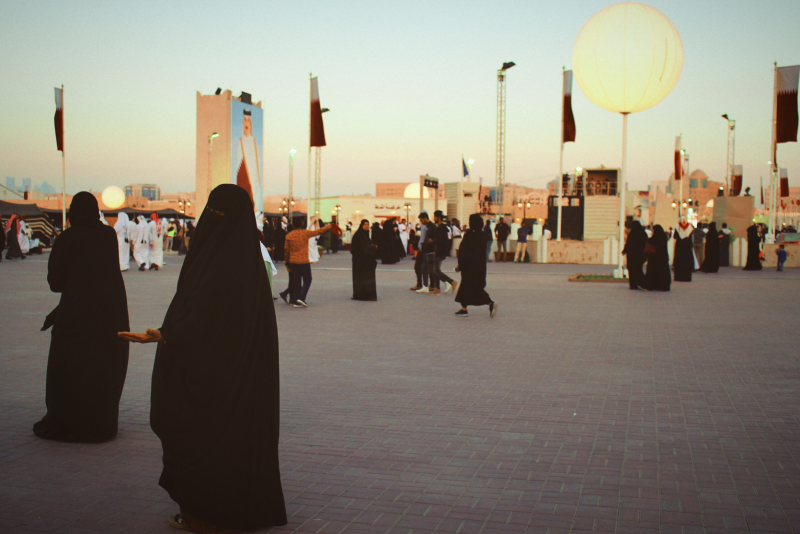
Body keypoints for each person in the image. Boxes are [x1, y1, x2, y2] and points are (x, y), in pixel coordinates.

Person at [119, 185, 286, 532]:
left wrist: (166, 335)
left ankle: (207, 515)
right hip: (241, 376)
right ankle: (225, 511)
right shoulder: (248, 261)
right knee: (234, 441)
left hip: (211, 378)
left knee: (205, 439)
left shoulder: (219, 261)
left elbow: (207, 317)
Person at [34, 192, 129, 443]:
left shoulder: (67, 238)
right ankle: (98, 421)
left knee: (71, 367)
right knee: (101, 367)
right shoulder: (107, 235)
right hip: (108, 313)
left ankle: (68, 420)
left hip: (75, 316)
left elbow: (56, 283)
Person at [454, 214, 498, 318]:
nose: (469, 223)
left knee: (473, 288)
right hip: (479, 266)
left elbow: (465, 251)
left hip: (469, 266)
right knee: (467, 287)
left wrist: (460, 264)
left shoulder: (470, 234)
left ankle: (490, 302)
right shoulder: (482, 235)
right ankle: (464, 308)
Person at [283, 217, 332, 307]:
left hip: (293, 261)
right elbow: (318, 232)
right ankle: (301, 298)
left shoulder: (288, 236)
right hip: (303, 260)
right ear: (302, 224)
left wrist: (287, 262)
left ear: (293, 225)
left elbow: (286, 250)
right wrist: (328, 226)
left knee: (297, 281)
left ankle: (295, 300)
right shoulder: (305, 233)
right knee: (307, 280)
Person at [234, 108, 261, 203]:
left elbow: (255, 164)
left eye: (248, 121)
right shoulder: (240, 142)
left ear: (250, 124)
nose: (246, 123)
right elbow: (238, 164)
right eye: (245, 120)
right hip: (243, 179)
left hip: (253, 180)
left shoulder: (253, 142)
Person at [351, 219, 378, 301]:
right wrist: (373, 248)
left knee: (366, 278)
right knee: (363, 277)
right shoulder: (359, 235)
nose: (366, 226)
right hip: (360, 261)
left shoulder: (365, 235)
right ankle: (365, 295)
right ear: (361, 225)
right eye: (364, 224)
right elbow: (363, 248)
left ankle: (367, 295)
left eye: (367, 224)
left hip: (366, 261)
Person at [432, 210, 458, 296]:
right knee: (435, 270)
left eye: (435, 217)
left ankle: (452, 282)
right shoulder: (441, 227)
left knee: (436, 270)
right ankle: (437, 289)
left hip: (440, 252)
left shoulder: (441, 228)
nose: (434, 218)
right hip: (440, 251)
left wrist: (433, 241)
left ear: (438, 218)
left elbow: (442, 241)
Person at [643, 225, 671, 291]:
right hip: (662, 257)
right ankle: (663, 285)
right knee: (662, 272)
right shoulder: (663, 236)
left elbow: (653, 241)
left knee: (653, 272)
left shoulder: (655, 237)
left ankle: (652, 285)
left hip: (654, 257)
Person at [622, 220, 647, 290]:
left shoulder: (632, 234)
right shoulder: (643, 233)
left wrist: (625, 250)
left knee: (633, 270)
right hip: (639, 256)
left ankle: (634, 284)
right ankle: (640, 283)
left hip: (632, 256)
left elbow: (628, 244)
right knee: (638, 270)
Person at [410, 211, 430, 291]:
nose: (421, 222)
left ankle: (427, 285)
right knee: (418, 266)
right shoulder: (423, 226)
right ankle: (419, 284)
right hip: (421, 250)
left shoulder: (429, 227)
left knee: (427, 268)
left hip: (425, 250)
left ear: (425, 218)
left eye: (421, 220)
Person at [673, 216, 694, 282]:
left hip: (679, 246)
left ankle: (679, 277)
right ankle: (686, 277)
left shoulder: (677, 227)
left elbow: (675, 236)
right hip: (687, 247)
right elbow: (691, 238)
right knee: (687, 261)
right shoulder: (690, 227)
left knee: (679, 261)